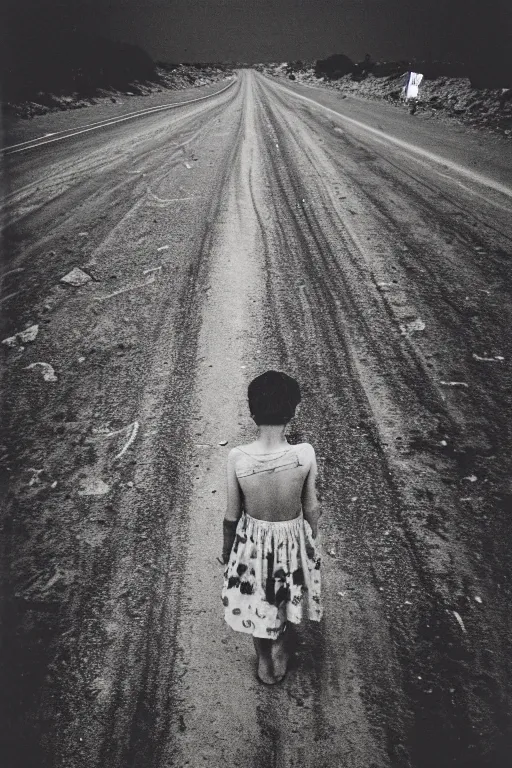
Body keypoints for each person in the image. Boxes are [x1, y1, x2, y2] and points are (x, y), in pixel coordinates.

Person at [220, 370, 323, 685]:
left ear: (251, 413)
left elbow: (231, 515)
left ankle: (264, 658)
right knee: (285, 593)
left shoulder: (237, 457)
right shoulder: (304, 454)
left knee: (257, 601)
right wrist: (311, 538)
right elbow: (312, 506)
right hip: (290, 541)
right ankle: (281, 645)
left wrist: (227, 552)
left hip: (252, 544)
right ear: (294, 412)